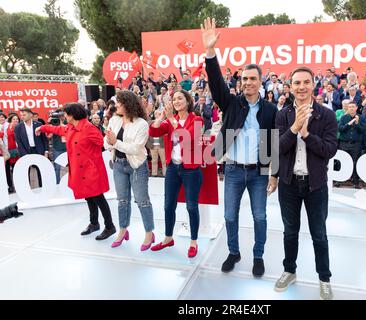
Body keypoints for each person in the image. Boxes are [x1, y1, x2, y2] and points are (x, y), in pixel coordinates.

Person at [202, 18, 278, 276]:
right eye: (244, 78)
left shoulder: (270, 109)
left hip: (258, 173)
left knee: (260, 217)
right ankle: (234, 252)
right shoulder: (232, 103)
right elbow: (215, 82)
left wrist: (273, 173)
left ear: (260, 81)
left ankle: (258, 256)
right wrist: (210, 52)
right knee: (230, 217)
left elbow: (273, 140)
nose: (248, 82)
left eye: (253, 78)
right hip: (233, 171)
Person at [273, 65, 338, 300]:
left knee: (319, 234)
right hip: (289, 184)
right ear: (290, 87)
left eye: (306, 82)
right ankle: (289, 270)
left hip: (316, 186)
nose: (301, 87)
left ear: (313, 85)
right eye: (297, 83)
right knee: (290, 231)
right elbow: (277, 148)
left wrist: (308, 135)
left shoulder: (327, 114)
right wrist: (294, 129)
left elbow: (330, 150)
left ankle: (324, 279)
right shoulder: (283, 114)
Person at [35, 103, 116, 240]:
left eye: (66, 114)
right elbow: (58, 130)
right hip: (80, 170)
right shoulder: (71, 127)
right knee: (88, 197)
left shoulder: (89, 128)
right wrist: (42, 127)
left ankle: (110, 226)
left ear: (72, 115)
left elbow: (104, 143)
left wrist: (109, 140)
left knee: (98, 198)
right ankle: (94, 223)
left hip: (91, 170)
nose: (64, 117)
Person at [149, 90, 204, 258]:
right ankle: (168, 238)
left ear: (188, 101)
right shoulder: (169, 121)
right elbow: (154, 133)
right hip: (173, 167)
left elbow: (186, 138)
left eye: (180, 98)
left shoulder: (197, 120)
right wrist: (159, 119)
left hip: (191, 169)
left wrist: (171, 118)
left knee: (191, 206)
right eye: (174, 99)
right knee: (168, 205)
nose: (176, 101)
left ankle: (193, 241)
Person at [104, 91, 155, 251]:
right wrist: (110, 142)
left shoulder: (142, 124)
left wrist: (115, 142)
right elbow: (106, 143)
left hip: (136, 167)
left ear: (128, 104)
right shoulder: (114, 120)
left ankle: (149, 233)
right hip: (118, 165)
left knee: (142, 201)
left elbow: (136, 148)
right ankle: (123, 230)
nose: (116, 105)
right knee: (122, 200)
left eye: (119, 102)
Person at [14, 108, 49, 188]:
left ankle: (43, 187)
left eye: (24, 115)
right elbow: (19, 143)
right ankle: (28, 189)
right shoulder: (18, 127)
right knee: (27, 171)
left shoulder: (39, 124)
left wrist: (46, 151)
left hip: (39, 150)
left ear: (30, 115)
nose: (22, 117)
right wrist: (24, 155)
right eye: (21, 115)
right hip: (26, 152)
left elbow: (44, 139)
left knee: (41, 170)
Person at [338, 101, 365, 188]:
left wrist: (357, 123)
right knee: (341, 162)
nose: (351, 108)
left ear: (356, 108)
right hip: (344, 143)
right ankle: (339, 180)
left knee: (355, 162)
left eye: (353, 107)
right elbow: (340, 129)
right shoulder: (343, 118)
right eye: (349, 107)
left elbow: (363, 130)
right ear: (347, 108)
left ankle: (355, 182)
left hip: (356, 144)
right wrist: (348, 124)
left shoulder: (361, 118)